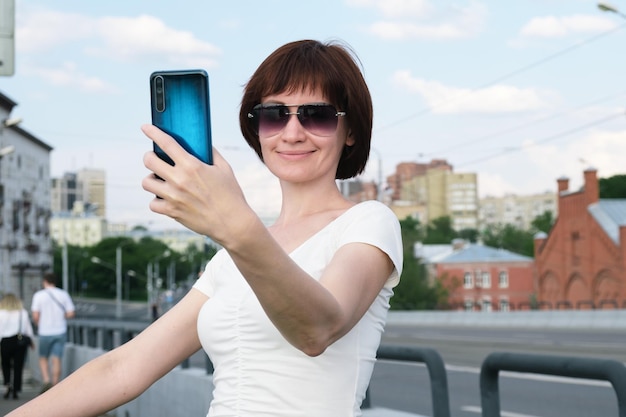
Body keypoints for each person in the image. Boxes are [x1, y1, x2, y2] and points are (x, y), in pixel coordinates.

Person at [7, 39, 403, 417]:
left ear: (350, 130)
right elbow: (124, 368)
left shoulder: (367, 222)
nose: (292, 132)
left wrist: (232, 222)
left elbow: (316, 330)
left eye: (316, 115)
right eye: (274, 114)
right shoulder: (230, 258)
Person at [30, 272, 75, 393]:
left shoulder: (39, 295)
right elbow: (71, 313)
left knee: (43, 357)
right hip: (60, 331)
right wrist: (61, 316)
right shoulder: (63, 294)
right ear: (55, 281)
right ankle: (55, 385)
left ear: (44, 281)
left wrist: (39, 323)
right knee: (57, 359)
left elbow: (35, 315)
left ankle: (46, 380)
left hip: (44, 331)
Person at [0, 293, 34, 400]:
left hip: (5, 341)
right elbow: (28, 329)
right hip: (19, 342)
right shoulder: (22, 313)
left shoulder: (1, 313)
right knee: (18, 366)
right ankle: (16, 389)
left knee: (5, 365)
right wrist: (32, 342)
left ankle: (7, 385)